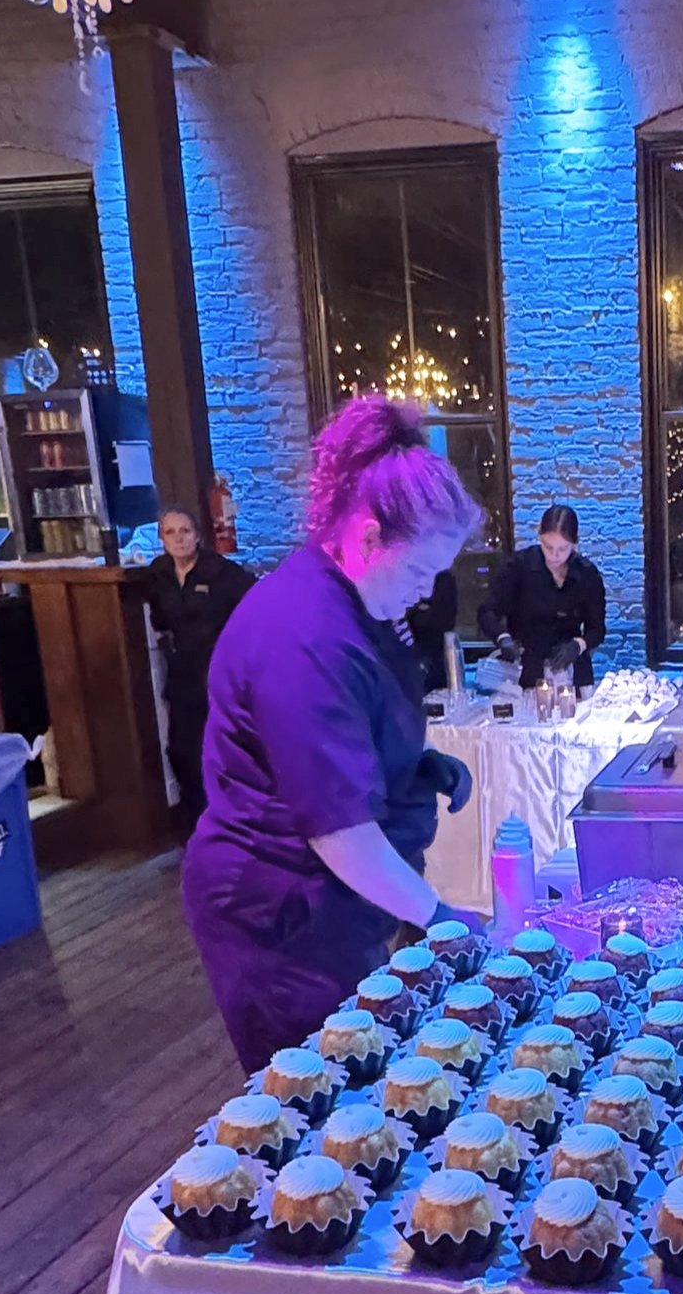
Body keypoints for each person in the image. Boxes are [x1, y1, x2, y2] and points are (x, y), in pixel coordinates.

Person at [183, 398, 482, 1070]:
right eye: (418, 572)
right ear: (368, 535)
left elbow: (364, 720)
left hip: (334, 905)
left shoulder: (360, 597)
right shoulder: (304, 634)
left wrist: (418, 766)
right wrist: (439, 918)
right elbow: (339, 833)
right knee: (319, 1098)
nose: (427, 592)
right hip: (279, 914)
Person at [141, 504, 250, 836]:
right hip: (182, 676)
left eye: (184, 531)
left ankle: (233, 823)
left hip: (218, 674)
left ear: (198, 535)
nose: (178, 538)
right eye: (170, 532)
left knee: (223, 751)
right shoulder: (158, 574)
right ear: (161, 538)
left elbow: (254, 611)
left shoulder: (224, 574)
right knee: (182, 751)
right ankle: (196, 827)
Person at [483, 502, 606, 691]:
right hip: (527, 671)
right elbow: (487, 611)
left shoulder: (587, 574)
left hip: (572, 671)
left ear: (575, 544)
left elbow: (597, 629)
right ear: (539, 536)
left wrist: (578, 645)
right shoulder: (518, 566)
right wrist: (503, 638)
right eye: (548, 547)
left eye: (563, 549)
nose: (555, 555)